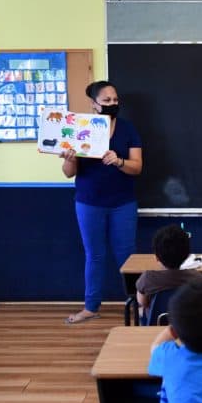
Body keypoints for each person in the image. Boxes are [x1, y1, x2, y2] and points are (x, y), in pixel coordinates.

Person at [60, 80, 143, 325]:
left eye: (115, 100)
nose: (112, 104)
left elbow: (137, 167)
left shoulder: (128, 129)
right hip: (89, 202)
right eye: (106, 101)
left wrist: (119, 161)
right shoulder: (79, 128)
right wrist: (69, 157)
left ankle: (138, 304)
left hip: (123, 203)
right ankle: (91, 307)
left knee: (127, 256)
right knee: (94, 255)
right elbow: (68, 172)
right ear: (93, 104)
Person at [135, 224, 202, 321]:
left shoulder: (147, 278)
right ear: (187, 256)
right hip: (187, 329)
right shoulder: (198, 279)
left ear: (156, 256)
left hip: (155, 327)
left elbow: (142, 302)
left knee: (141, 310)